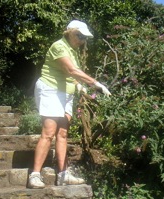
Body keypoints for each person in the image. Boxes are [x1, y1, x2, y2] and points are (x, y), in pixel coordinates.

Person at [28, 20, 111, 189]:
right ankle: (35, 175)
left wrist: (79, 86)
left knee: (63, 133)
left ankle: (63, 174)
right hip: (51, 90)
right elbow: (72, 70)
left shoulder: (72, 51)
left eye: (84, 37)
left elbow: (70, 75)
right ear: (69, 33)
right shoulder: (59, 46)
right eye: (79, 36)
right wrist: (96, 84)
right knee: (49, 132)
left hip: (66, 93)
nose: (82, 40)